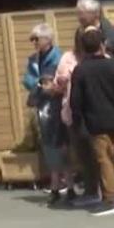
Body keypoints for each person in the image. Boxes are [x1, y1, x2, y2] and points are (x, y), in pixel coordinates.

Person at [70, 27, 114, 217]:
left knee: (103, 159)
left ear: (83, 47)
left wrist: (78, 120)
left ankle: (110, 197)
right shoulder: (111, 66)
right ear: (102, 45)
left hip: (94, 120)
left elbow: (75, 101)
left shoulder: (80, 70)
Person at [21, 23, 72, 205]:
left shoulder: (58, 57)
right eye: (31, 39)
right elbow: (27, 80)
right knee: (49, 144)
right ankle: (56, 184)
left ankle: (66, 184)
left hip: (57, 104)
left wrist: (47, 84)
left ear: (48, 39)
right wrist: (39, 82)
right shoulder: (33, 59)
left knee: (61, 143)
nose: (33, 42)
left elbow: (57, 81)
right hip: (43, 104)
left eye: (36, 39)